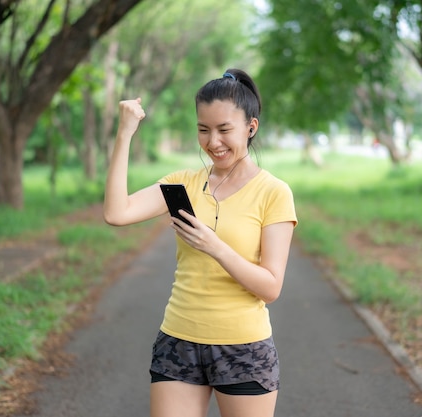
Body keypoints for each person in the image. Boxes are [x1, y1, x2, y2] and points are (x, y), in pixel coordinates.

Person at [103, 68, 297, 417]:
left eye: (224, 129)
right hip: (178, 340)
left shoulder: (274, 193)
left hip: (243, 348)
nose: (213, 142)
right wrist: (125, 133)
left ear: (251, 127)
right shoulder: (183, 184)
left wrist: (215, 246)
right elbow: (117, 213)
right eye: (203, 130)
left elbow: (270, 287)